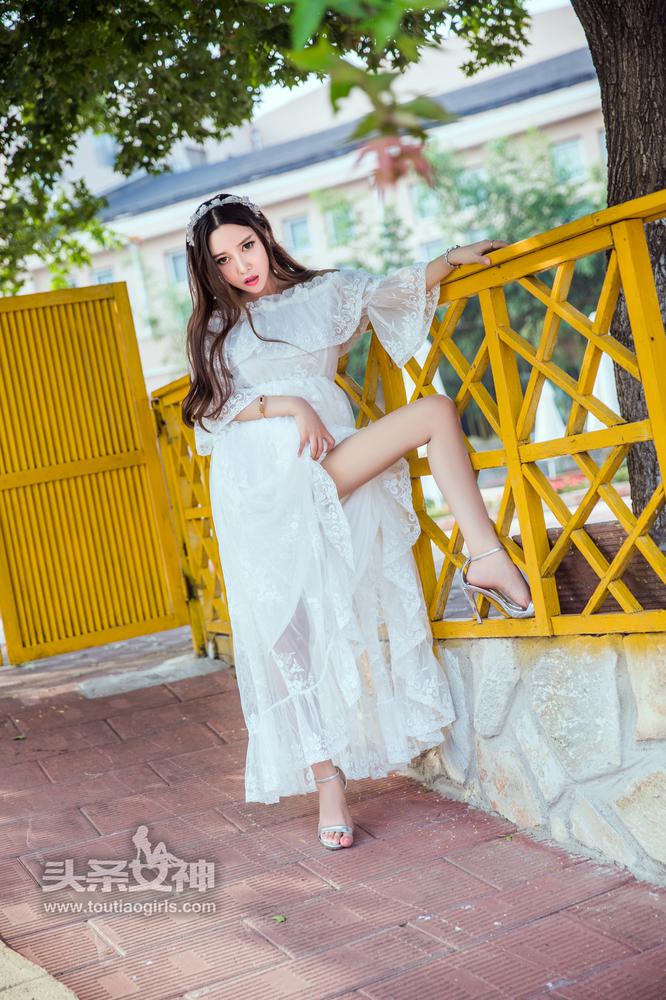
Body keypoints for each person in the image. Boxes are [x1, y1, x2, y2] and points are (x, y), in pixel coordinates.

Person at [182, 192, 533, 851]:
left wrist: (449, 260)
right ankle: (328, 782)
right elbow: (210, 412)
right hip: (256, 492)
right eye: (223, 260)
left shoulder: (325, 294)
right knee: (290, 635)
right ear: (210, 269)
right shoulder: (216, 329)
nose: (241, 266)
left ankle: (485, 557)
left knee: (434, 412)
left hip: (319, 468)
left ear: (265, 234)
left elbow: (392, 292)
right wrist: (289, 404)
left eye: (246, 246)